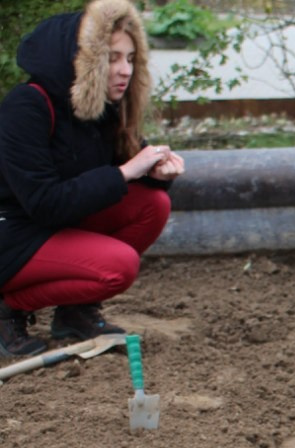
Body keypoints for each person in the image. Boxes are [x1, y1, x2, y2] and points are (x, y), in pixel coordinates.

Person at [0, 0, 185, 358]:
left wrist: (157, 174)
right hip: (12, 237)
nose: (125, 70)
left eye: (130, 59)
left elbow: (126, 174)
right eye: (112, 58)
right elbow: (44, 203)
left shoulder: (101, 108)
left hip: (52, 228)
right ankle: (8, 307)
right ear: (82, 59)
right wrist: (126, 171)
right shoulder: (27, 106)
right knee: (118, 267)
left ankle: (75, 312)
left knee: (153, 203)